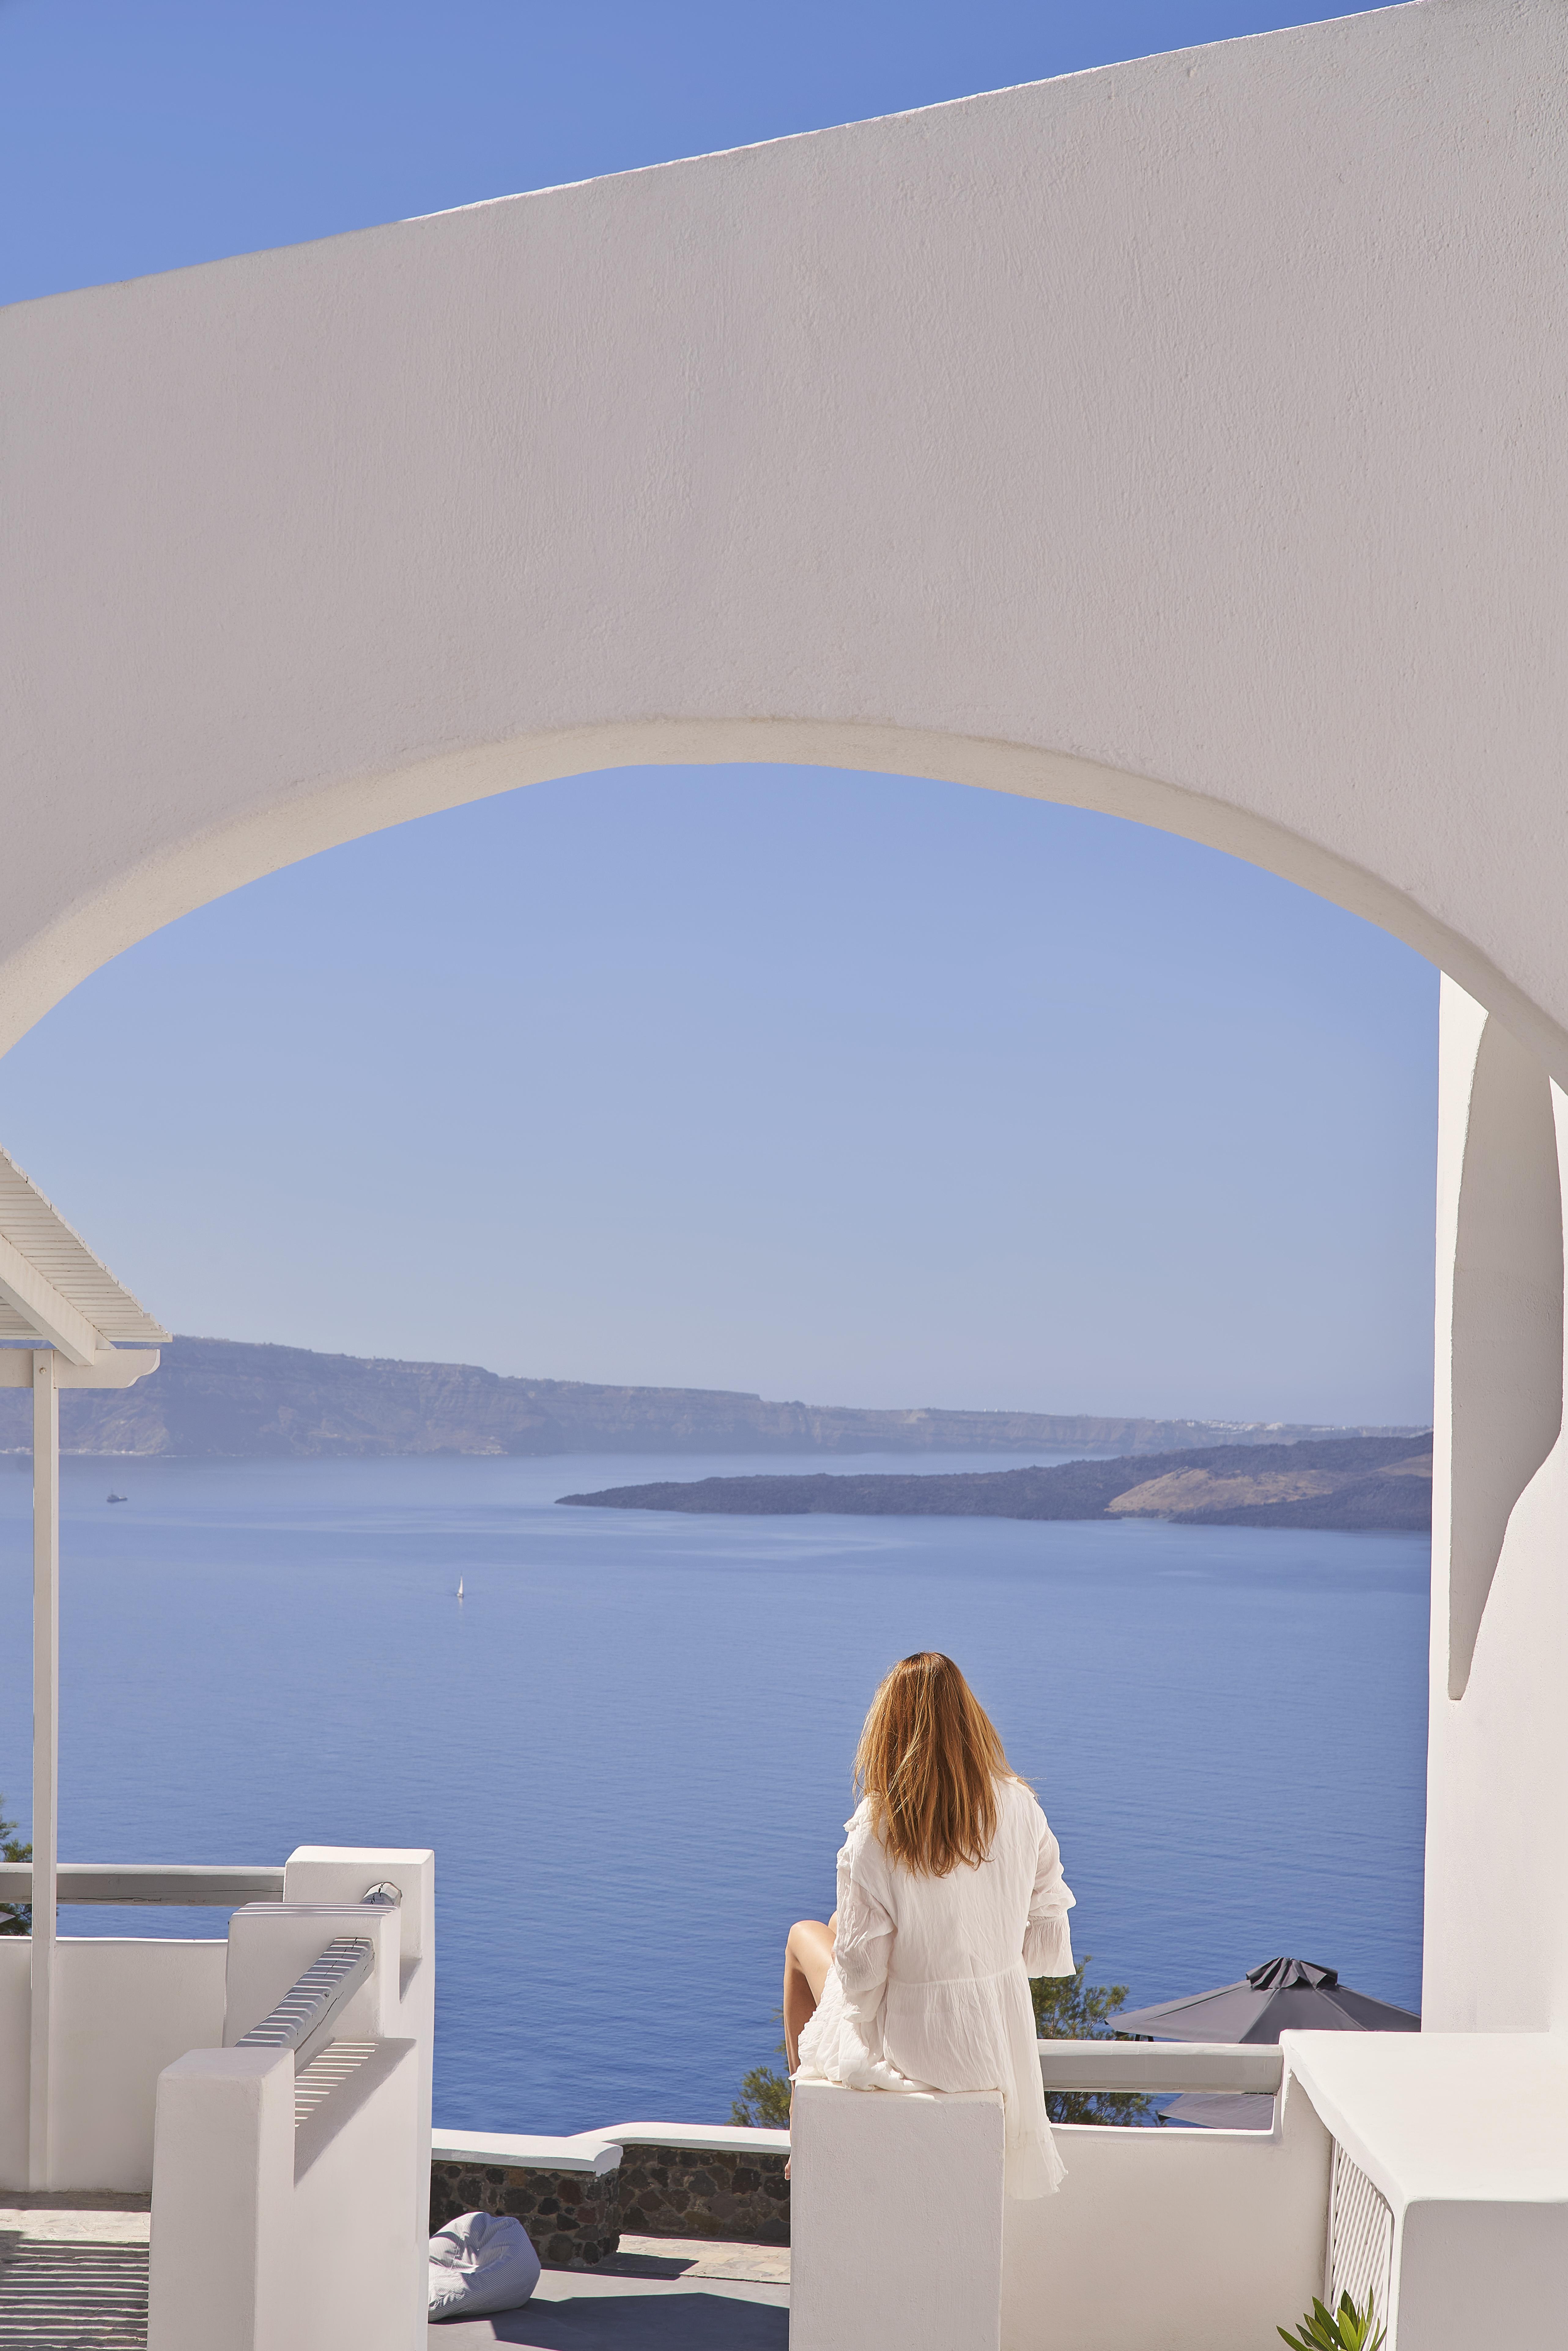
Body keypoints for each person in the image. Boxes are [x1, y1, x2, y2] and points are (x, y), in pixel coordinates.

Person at [784, 1651, 1075, 2198]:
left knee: (804, 1934)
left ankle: (801, 2118)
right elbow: (1044, 1947)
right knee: (835, 1922)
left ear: (888, 1729)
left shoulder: (876, 1827)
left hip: (916, 2044)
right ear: (972, 1720)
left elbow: (864, 1976)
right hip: (997, 2041)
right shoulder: (1021, 1807)